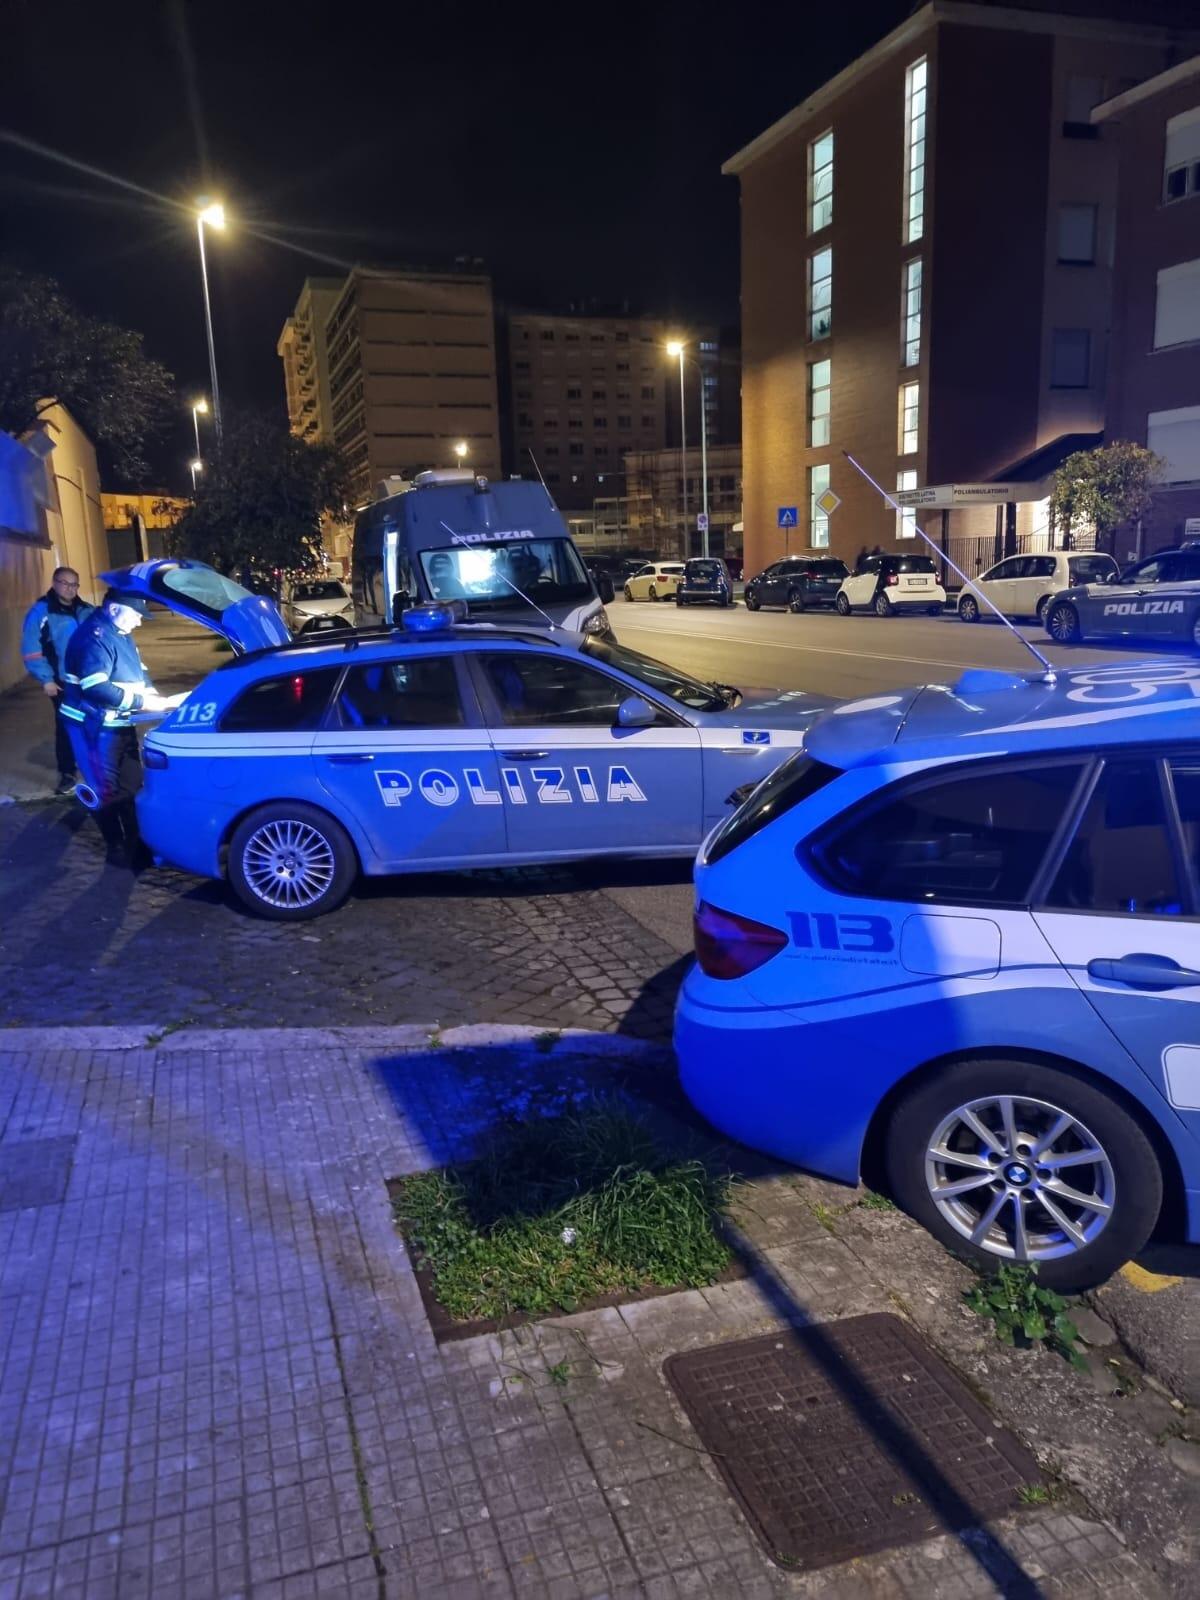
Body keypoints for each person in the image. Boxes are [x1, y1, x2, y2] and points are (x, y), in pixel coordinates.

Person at [59, 589, 183, 863]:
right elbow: (96, 687)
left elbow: (141, 672)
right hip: (92, 727)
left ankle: (135, 842)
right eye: (136, 615)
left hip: (117, 722)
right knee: (105, 788)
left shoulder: (121, 635)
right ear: (115, 609)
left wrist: (151, 695)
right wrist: (142, 701)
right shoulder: (93, 637)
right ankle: (116, 847)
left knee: (131, 783)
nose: (139, 622)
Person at [21, 566, 95, 795]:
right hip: (61, 682)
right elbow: (32, 648)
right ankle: (67, 773)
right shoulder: (41, 611)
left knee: (94, 724)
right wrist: (46, 679)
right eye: (65, 583)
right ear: (54, 583)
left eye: (75, 584)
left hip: (88, 680)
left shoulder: (86, 610)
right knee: (66, 728)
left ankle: (95, 769)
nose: (70, 589)